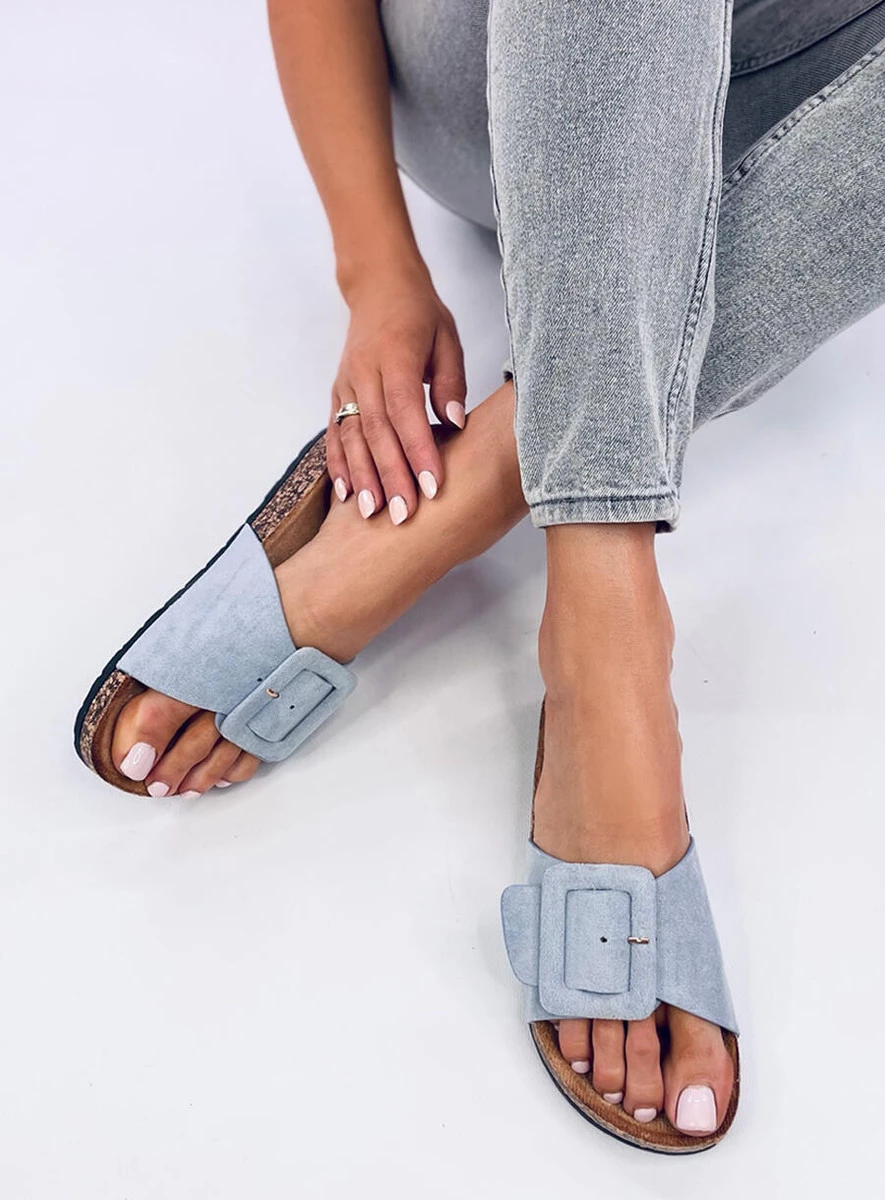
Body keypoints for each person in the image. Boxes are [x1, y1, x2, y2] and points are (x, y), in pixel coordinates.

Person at [77, 0, 885, 1150]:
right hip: (519, 65)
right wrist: (377, 271)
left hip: (791, 121)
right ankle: (606, 620)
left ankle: (471, 487)